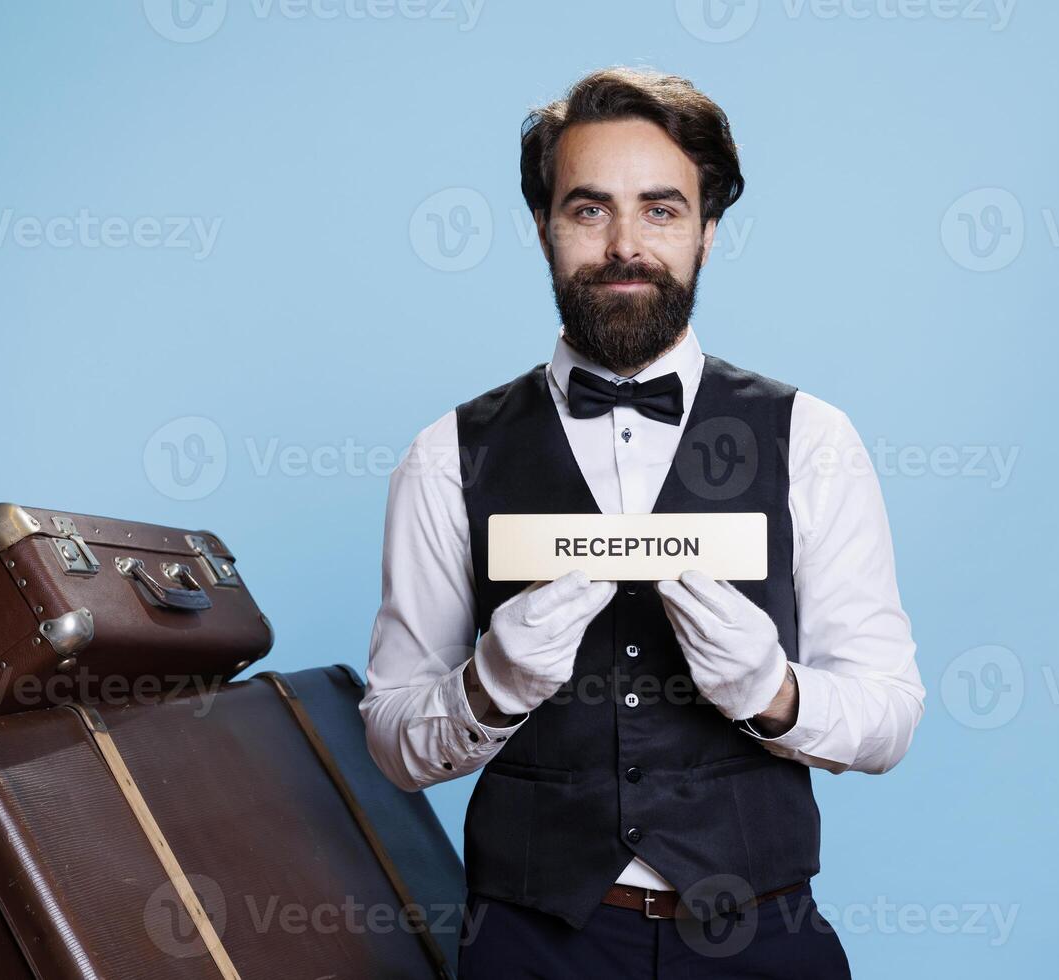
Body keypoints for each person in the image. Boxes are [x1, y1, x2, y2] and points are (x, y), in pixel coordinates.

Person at [360, 66, 924, 978]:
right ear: (543, 226)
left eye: (661, 210)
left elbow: (890, 714)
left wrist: (773, 692)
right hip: (530, 941)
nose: (626, 244)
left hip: (761, 934)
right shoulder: (444, 453)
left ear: (708, 231)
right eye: (589, 210)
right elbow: (392, 739)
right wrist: (489, 684)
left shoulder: (812, 439)